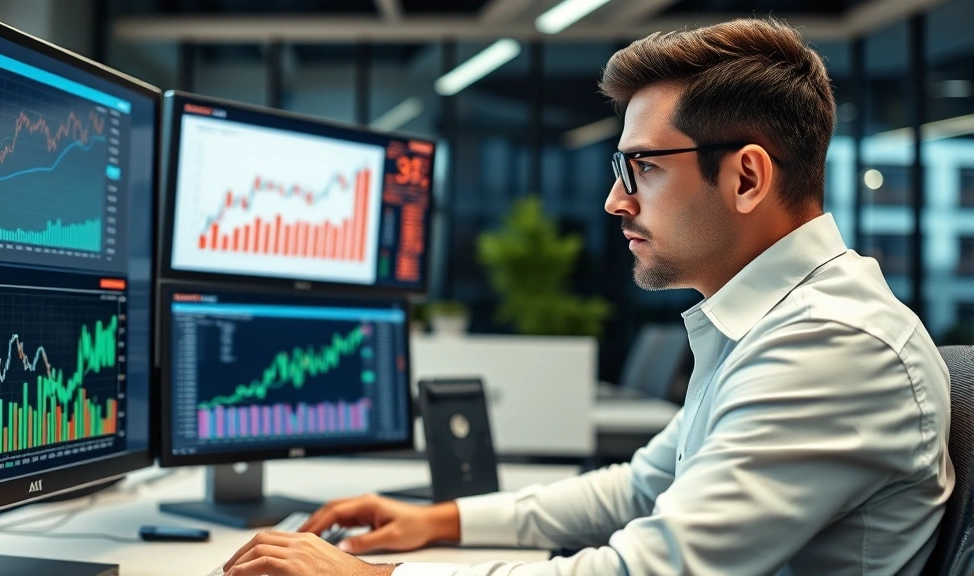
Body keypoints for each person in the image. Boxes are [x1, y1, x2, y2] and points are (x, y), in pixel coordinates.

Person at [219, 17, 953, 576]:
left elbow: (644, 570)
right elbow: (640, 490)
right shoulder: (767, 321)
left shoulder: (832, 343)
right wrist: (432, 521)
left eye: (640, 169)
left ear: (747, 178)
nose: (613, 201)